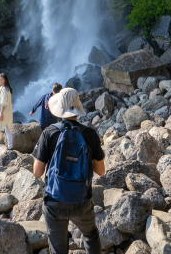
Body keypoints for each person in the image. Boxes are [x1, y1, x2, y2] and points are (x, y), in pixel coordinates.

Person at [32, 87, 105, 254]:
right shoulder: (90, 134)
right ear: (78, 109)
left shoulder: (49, 133)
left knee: (58, 249)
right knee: (91, 235)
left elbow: (37, 172)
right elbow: (101, 171)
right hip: (82, 200)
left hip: (54, 201)